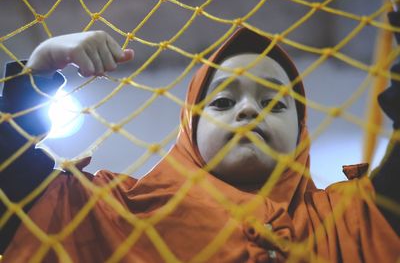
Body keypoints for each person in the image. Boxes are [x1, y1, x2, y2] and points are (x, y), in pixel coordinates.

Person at [1, 14, 399, 262]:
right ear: (190, 127)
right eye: (224, 100)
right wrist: (41, 68)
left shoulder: (354, 217)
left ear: (301, 131)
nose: (248, 111)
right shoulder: (114, 212)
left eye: (275, 103)